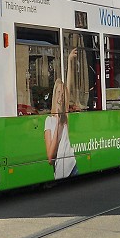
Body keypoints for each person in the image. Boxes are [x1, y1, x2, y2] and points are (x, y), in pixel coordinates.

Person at [44, 49, 78, 179]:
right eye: (58, 93)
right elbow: (50, 158)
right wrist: (58, 126)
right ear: (54, 95)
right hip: (60, 173)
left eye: (63, 95)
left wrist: (69, 61)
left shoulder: (65, 116)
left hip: (73, 167)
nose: (61, 97)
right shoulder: (49, 121)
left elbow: (68, 86)